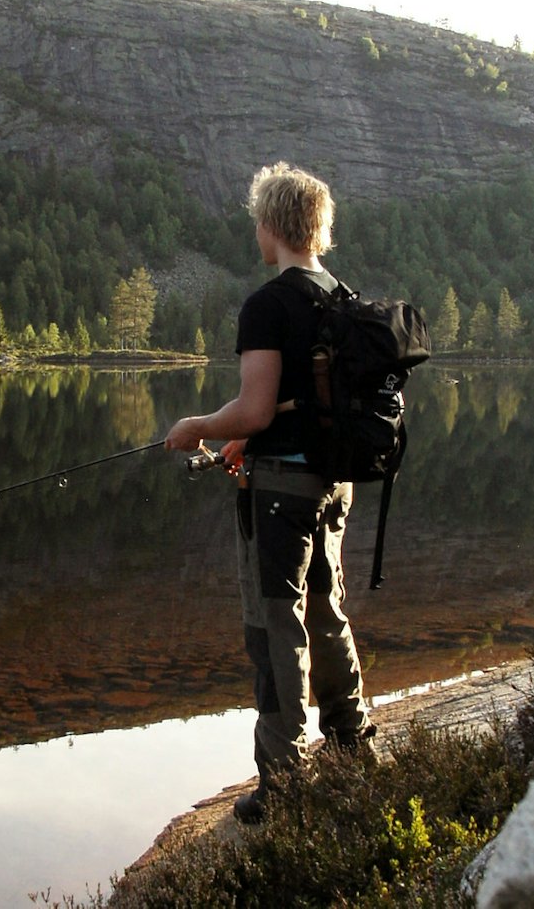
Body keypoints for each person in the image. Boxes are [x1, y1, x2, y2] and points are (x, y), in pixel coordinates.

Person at [164, 161, 375, 824]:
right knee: (328, 612)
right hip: (332, 488)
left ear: (270, 224)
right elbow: (296, 407)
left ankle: (283, 780)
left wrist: (198, 426)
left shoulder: (268, 303)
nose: (254, 229)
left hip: (282, 498)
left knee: (276, 628)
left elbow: (255, 409)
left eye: (256, 219)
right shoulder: (340, 295)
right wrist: (244, 442)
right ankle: (352, 746)